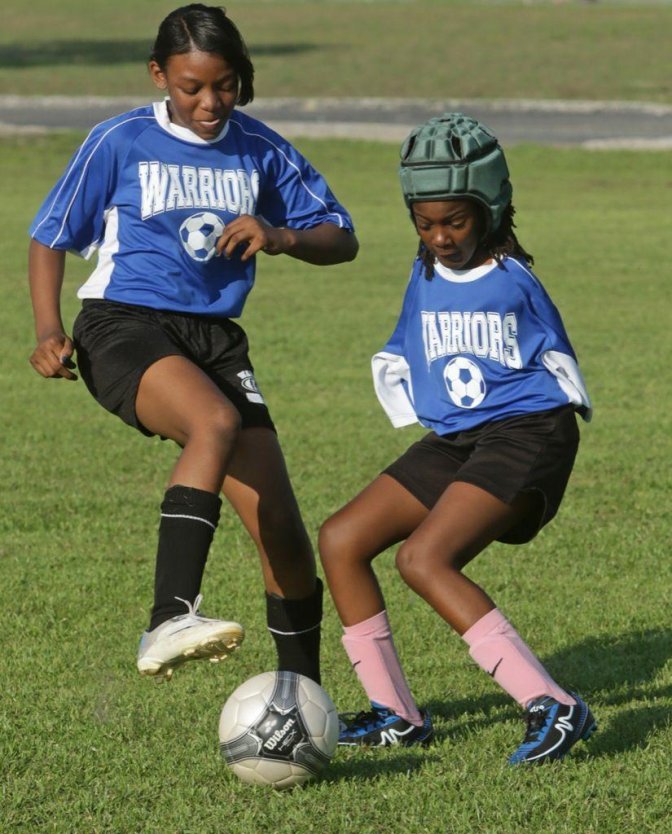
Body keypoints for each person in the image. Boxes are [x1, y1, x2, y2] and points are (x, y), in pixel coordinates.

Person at [28, 3, 358, 684]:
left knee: (282, 531)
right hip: (122, 325)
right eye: (192, 87)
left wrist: (281, 235)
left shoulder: (261, 148)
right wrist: (48, 330)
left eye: (225, 85)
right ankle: (168, 616)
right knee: (214, 421)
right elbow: (49, 234)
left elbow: (341, 236)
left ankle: (301, 698)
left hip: (217, 342)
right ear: (159, 75)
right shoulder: (119, 140)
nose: (210, 103)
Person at [319, 112, 596, 764]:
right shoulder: (424, 271)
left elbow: (557, 372)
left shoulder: (514, 279)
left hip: (527, 432)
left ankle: (553, 705)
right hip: (460, 437)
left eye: (456, 222)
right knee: (340, 539)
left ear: (490, 208)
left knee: (423, 559)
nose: (440, 237)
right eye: (424, 223)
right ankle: (396, 715)